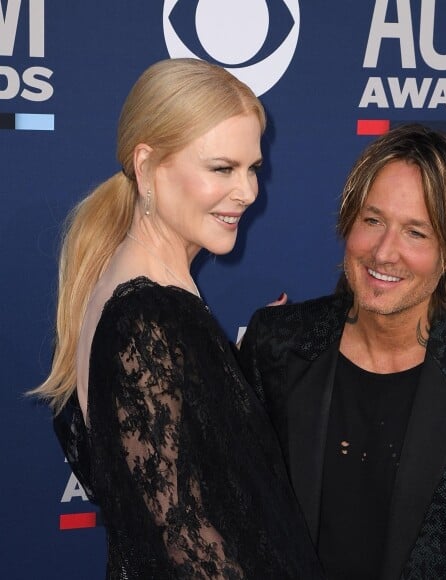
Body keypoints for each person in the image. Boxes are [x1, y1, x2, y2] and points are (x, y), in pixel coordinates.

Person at [31, 58, 323, 579]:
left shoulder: (138, 292)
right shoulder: (147, 319)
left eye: (252, 167)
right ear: (146, 167)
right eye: (222, 168)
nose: (248, 192)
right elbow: (189, 549)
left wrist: (234, 371)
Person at [239, 124, 446, 579]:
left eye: (416, 233)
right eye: (372, 221)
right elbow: (232, 517)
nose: (385, 253)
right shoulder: (276, 343)